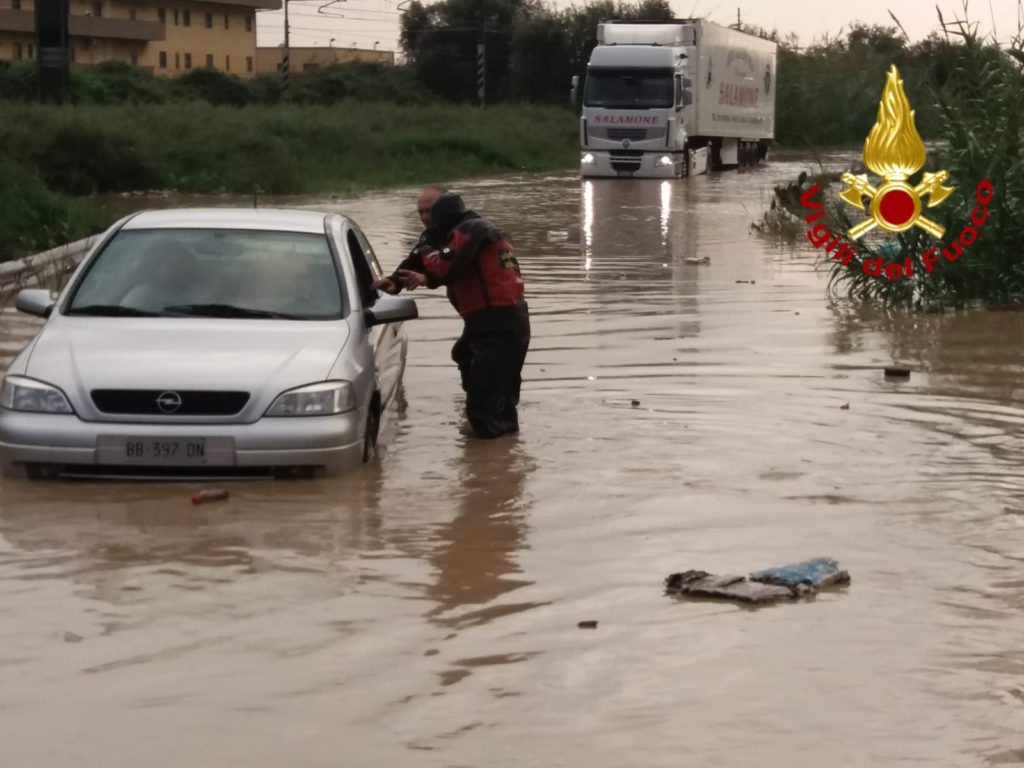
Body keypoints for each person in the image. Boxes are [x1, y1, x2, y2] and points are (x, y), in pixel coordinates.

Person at [376, 192, 530, 439]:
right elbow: (418, 259)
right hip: (496, 319)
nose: (425, 220)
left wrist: (429, 272)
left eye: (430, 215)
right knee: (466, 355)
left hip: (499, 320)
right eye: (420, 213)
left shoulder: (472, 230)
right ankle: (503, 442)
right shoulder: (458, 232)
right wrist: (395, 281)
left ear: (443, 218)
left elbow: (447, 266)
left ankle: (488, 463)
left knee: (484, 404)